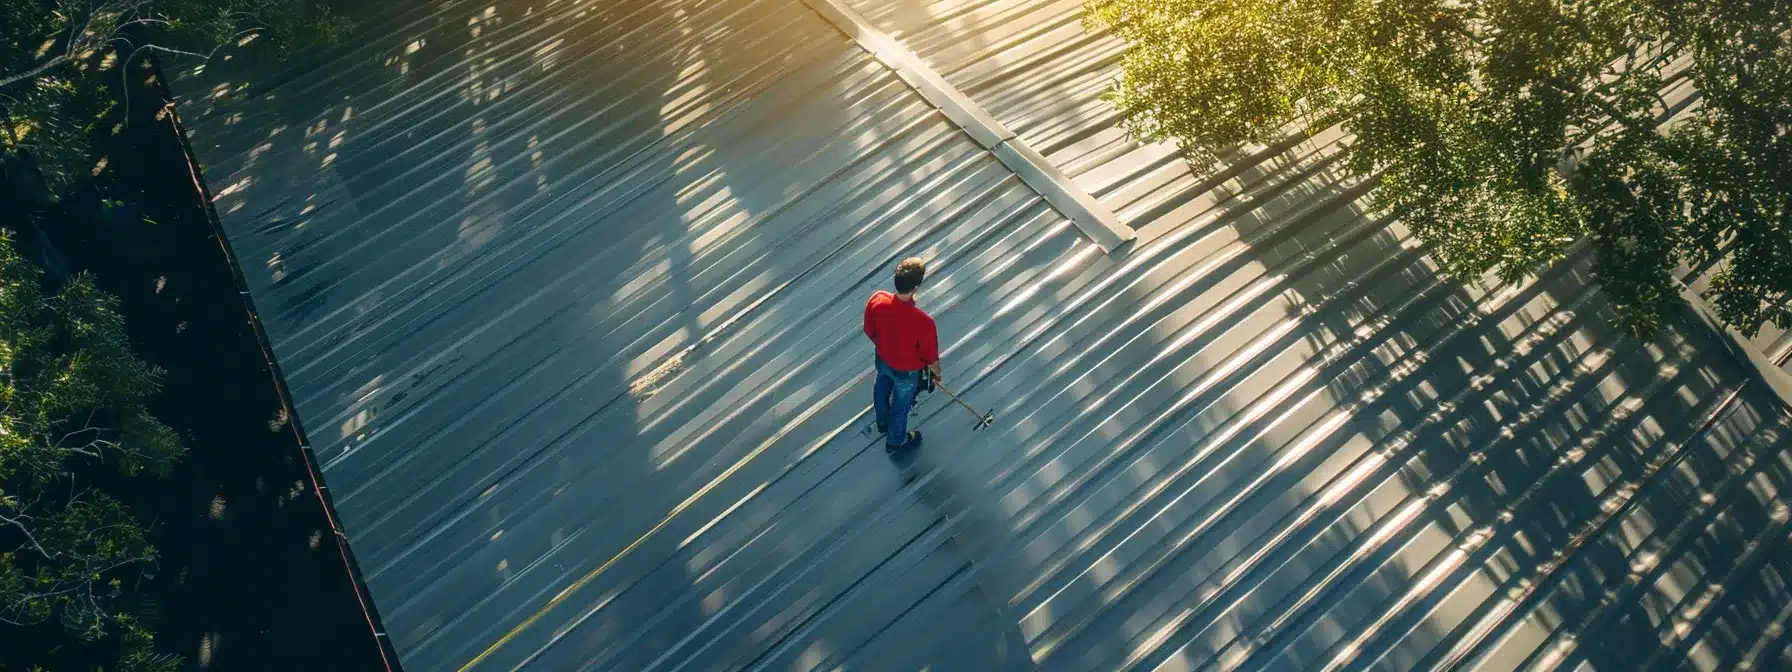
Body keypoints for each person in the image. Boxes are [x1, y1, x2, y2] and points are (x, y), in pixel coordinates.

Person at [863, 257, 941, 451]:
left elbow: (869, 330)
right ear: (915, 287)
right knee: (901, 406)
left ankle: (882, 422)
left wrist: (885, 346)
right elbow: (930, 356)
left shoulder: (877, 299)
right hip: (906, 372)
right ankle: (896, 441)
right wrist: (937, 375)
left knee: (881, 386)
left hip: (882, 360)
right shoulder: (923, 322)